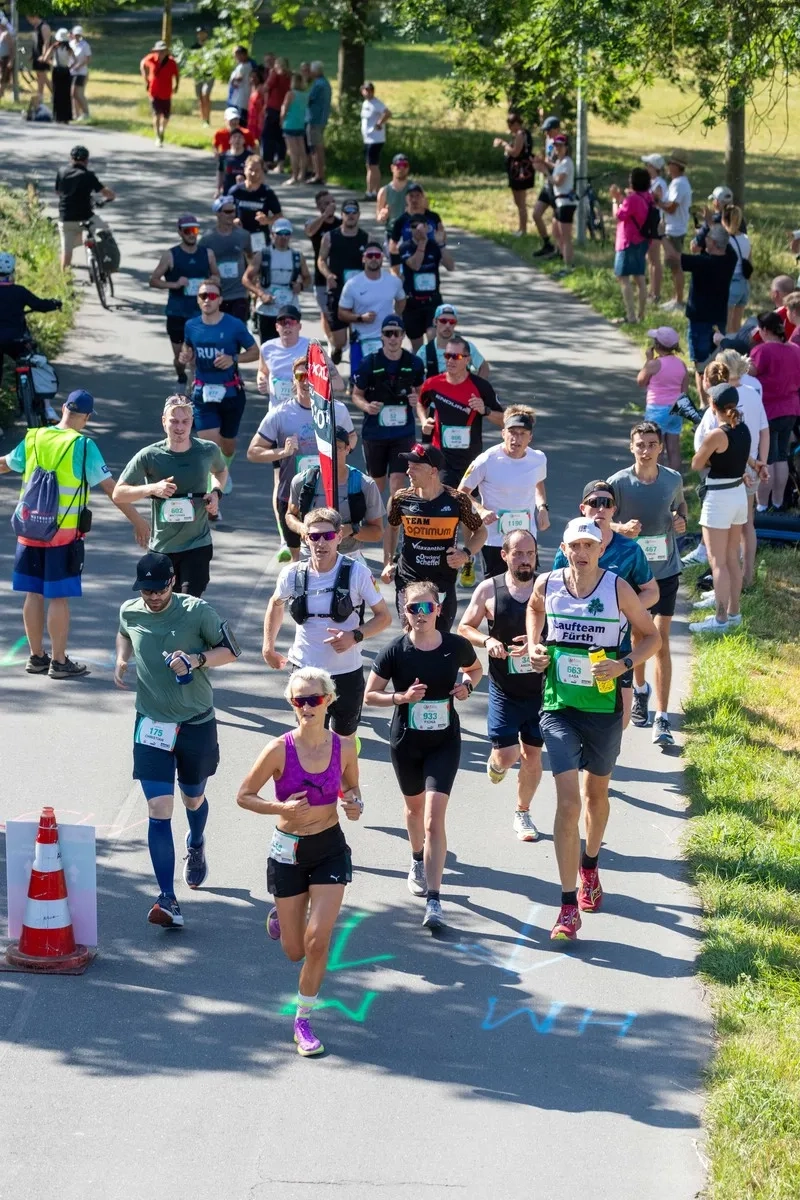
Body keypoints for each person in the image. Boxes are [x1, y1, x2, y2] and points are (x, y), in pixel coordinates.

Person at [526, 518, 661, 941]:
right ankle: (567, 907)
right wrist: (534, 644)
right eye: (574, 546)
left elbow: (651, 637)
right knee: (568, 804)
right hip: (558, 706)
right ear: (564, 549)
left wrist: (623, 665)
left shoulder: (617, 587)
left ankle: (589, 866)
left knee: (594, 796)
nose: (582, 552)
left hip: (603, 708)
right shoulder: (547, 584)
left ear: (600, 549)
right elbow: (533, 610)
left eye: (589, 545)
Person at [236, 666, 362, 1057]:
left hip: (329, 848)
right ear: (292, 705)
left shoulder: (343, 746)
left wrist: (355, 804)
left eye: (314, 699)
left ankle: (302, 1019)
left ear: (328, 701)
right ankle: (282, 918)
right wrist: (279, 806)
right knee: (295, 951)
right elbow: (243, 795)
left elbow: (352, 788)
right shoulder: (278, 749)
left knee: (318, 941)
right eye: (298, 700)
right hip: (287, 852)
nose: (306, 707)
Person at [115, 551, 242, 928]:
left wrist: (197, 659)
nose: (153, 597)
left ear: (171, 581)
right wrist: (121, 658)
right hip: (151, 725)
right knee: (158, 809)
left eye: (159, 589)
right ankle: (167, 898)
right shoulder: (130, 610)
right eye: (146, 591)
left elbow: (232, 651)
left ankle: (197, 841)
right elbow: (123, 633)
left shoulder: (196, 611)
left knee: (193, 796)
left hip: (195, 724)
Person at [0, 390, 149, 679]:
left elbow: (5, 463)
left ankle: (36, 656)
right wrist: (138, 520)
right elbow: (111, 489)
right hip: (63, 535)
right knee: (58, 597)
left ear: (63, 409)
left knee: (33, 593)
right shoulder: (83, 446)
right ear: (88, 416)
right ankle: (58, 661)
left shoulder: (34, 437)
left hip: (30, 529)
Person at [365, 580, 482, 929]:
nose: (421, 614)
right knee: (414, 811)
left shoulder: (455, 646)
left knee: (433, 819)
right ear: (405, 611)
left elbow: (476, 669)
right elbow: (370, 695)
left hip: (445, 741)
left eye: (427, 607)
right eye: (414, 608)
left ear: (439, 609)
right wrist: (400, 699)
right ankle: (417, 858)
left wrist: (467, 686)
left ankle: (434, 900)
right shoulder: (396, 651)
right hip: (406, 741)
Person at [262, 507, 391, 739]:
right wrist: (268, 647)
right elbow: (275, 604)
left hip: (346, 673)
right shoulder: (292, 574)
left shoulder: (358, 573)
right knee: (309, 740)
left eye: (328, 536)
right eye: (314, 536)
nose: (321, 543)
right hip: (305, 671)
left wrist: (355, 636)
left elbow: (384, 617)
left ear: (339, 537)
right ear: (305, 538)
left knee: (343, 742)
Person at [458, 529, 543, 841]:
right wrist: (488, 639)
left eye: (529, 554)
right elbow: (465, 627)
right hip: (505, 689)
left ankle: (523, 812)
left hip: (541, 690)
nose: (524, 560)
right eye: (517, 554)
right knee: (506, 757)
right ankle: (499, 762)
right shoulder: (489, 589)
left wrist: (539, 643)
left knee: (533, 755)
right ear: (504, 555)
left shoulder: (547, 589)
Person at [552, 481, 658, 730]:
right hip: (572, 646)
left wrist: (623, 607)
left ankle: (600, 764)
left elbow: (652, 591)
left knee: (619, 723)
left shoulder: (629, 550)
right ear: (582, 508)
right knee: (571, 716)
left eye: (606, 503)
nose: (600, 508)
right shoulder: (566, 551)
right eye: (594, 502)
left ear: (614, 510)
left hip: (616, 647)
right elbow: (551, 596)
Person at [608, 423, 686, 746]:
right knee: (641, 636)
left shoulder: (672, 479)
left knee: (662, 639)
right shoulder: (618, 483)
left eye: (651, 444)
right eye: (640, 444)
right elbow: (600, 519)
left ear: (659, 448)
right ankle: (640, 690)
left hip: (666, 571)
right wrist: (620, 527)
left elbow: (680, 508)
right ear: (631, 447)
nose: (645, 449)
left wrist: (681, 521)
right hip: (634, 575)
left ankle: (662, 716)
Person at [114, 396, 228, 598]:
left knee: (187, 604)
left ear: (192, 422)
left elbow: (220, 471)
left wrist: (216, 493)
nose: (179, 427)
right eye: (174, 421)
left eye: (185, 421)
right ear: (163, 421)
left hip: (197, 544)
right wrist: (152, 488)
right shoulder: (150, 455)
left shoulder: (207, 450)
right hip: (162, 548)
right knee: (161, 606)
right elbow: (119, 493)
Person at [248, 357, 353, 562]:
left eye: (311, 376)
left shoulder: (336, 410)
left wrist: (339, 449)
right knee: (299, 562)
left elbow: (353, 437)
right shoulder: (279, 414)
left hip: (328, 496)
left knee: (329, 558)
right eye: (300, 376)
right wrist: (283, 452)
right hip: (292, 499)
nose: (306, 381)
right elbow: (253, 452)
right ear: (293, 380)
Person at [384, 444, 486, 631]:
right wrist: (388, 561)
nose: (408, 472)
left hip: (442, 580)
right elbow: (391, 528)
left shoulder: (457, 500)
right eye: (408, 466)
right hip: (409, 578)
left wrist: (465, 553)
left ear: (433, 471)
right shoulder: (401, 498)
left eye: (415, 467)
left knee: (440, 638)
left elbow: (481, 532)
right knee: (411, 635)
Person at [689, 386, 765, 635]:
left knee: (717, 562)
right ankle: (734, 614)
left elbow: (696, 463)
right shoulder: (742, 429)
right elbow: (741, 457)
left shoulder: (715, 435)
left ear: (713, 406)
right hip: (738, 496)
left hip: (719, 498)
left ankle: (720, 620)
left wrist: (711, 455)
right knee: (732, 557)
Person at [351, 314, 424, 567]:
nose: (393, 338)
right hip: (375, 434)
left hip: (402, 434)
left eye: (397, 333)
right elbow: (356, 395)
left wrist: (416, 401)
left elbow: (419, 392)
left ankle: (392, 545)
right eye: (388, 333)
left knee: (397, 486)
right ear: (381, 336)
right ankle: (359, 534)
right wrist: (366, 406)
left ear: (403, 335)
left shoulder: (414, 363)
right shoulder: (370, 363)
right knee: (375, 486)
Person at [696, 356, 768, 591]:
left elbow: (702, 456)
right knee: (747, 526)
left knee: (722, 546)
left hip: (723, 478)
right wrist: (760, 462)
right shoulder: (752, 395)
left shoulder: (717, 408)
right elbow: (765, 431)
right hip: (747, 467)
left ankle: (723, 594)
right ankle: (745, 579)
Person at [457, 406, 548, 578]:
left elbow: (539, 483)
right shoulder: (487, 460)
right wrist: (481, 510)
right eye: (512, 432)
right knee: (496, 591)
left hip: (526, 538)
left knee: (526, 587)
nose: (516, 438)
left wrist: (542, 507)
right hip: (494, 539)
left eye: (522, 433)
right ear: (503, 433)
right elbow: (461, 492)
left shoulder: (538, 459)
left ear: (530, 437)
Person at [180, 278, 259, 470]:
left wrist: (233, 358)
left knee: (227, 444)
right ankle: (215, 479)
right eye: (203, 296)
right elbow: (187, 347)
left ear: (220, 300)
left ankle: (224, 468)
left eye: (212, 296)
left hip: (231, 392)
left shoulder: (234, 325)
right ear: (198, 300)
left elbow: (255, 352)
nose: (207, 299)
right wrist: (186, 355)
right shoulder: (191, 325)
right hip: (202, 392)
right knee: (210, 444)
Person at [417, 334, 503, 490]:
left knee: (467, 506)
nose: (450, 360)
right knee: (444, 502)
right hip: (442, 458)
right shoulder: (432, 384)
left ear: (467, 359)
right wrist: (424, 420)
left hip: (471, 459)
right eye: (447, 355)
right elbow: (420, 404)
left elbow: (504, 420)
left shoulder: (481, 387)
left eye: (455, 356)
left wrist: (485, 410)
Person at [286, 427, 384, 562]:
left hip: (348, 555)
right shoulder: (302, 481)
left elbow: (377, 533)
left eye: (337, 447)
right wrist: (301, 527)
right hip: (310, 554)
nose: (331, 452)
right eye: (326, 447)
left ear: (348, 449)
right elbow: (290, 515)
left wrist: (352, 530)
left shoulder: (365, 484)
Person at [149, 214, 219, 385]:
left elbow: (216, 275)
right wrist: (175, 284)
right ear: (180, 232)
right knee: (180, 358)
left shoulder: (207, 254)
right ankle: (181, 375)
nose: (191, 234)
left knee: (196, 356)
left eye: (194, 230)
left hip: (200, 313)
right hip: (177, 313)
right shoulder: (170, 255)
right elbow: (153, 280)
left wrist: (209, 283)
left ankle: (195, 388)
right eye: (187, 231)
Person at [749, 310, 800, 512]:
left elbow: (749, 372)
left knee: (766, 459)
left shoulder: (763, 351)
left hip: (768, 411)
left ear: (763, 330)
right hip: (791, 408)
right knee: (781, 457)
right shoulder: (795, 349)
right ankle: (779, 502)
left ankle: (762, 505)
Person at [682, 224, 736, 399]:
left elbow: (674, 258)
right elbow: (726, 244)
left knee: (701, 365)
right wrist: (707, 226)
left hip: (699, 320)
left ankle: (704, 403)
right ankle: (718, 397)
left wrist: (662, 237)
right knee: (717, 361)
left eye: (707, 238)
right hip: (718, 319)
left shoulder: (702, 263)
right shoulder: (730, 259)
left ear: (712, 242)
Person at [338, 242, 406, 373]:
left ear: (382, 258)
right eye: (370, 255)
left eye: (377, 255)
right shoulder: (353, 284)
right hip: (361, 340)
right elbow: (341, 313)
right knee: (358, 383)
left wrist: (395, 317)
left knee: (387, 381)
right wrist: (360, 318)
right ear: (364, 258)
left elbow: (401, 300)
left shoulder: (393, 282)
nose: (374, 258)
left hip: (386, 340)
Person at [317, 199, 369, 362]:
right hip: (338, 292)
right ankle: (337, 348)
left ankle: (356, 369)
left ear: (359, 215)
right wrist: (328, 275)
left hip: (360, 294)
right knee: (341, 341)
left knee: (358, 336)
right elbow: (321, 260)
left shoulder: (366, 238)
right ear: (342, 215)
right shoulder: (330, 237)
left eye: (354, 212)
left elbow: (374, 261)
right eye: (348, 212)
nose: (351, 216)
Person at [0, 252, 62, 386]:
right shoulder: (20, 291)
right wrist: (54, 303)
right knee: (33, 361)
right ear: (12, 273)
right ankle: (46, 405)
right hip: (16, 338)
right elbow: (40, 305)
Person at [244, 218, 311, 342]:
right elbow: (246, 279)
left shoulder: (297, 256)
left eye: (287, 234)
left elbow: (307, 278)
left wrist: (300, 286)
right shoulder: (263, 255)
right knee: (268, 346)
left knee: (289, 344)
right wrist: (261, 294)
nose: (283, 237)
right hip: (267, 309)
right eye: (280, 234)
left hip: (290, 308)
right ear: (272, 234)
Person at [199, 194, 261, 323]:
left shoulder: (243, 235)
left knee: (236, 333)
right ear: (218, 213)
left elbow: (251, 259)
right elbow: (200, 267)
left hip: (239, 294)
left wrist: (254, 284)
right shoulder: (207, 239)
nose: (232, 215)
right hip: (216, 294)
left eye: (233, 211)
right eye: (227, 212)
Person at [636, 325, 690, 470]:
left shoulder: (654, 364)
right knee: (674, 448)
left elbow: (641, 381)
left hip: (657, 410)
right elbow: (684, 390)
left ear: (657, 345)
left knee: (655, 448)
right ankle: (675, 480)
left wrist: (648, 360)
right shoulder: (682, 365)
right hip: (676, 408)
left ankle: (656, 479)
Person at [398, 215, 455, 351]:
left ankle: (433, 370)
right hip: (412, 302)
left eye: (420, 226)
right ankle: (421, 370)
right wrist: (422, 244)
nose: (417, 230)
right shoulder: (405, 247)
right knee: (417, 347)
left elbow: (450, 266)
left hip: (432, 302)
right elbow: (415, 265)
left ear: (427, 227)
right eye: (413, 227)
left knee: (433, 338)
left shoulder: (434, 246)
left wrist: (441, 245)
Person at [54, 144, 115, 270]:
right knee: (105, 231)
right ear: (86, 160)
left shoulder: (61, 172)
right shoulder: (88, 175)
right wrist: (111, 197)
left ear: (71, 159)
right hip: (85, 217)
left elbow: (58, 192)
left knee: (67, 251)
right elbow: (105, 192)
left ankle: (64, 278)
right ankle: (106, 261)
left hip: (66, 217)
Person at [608, 168, 654, 325]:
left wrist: (615, 200)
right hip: (643, 241)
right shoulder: (647, 197)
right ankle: (641, 315)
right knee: (640, 278)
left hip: (628, 241)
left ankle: (631, 316)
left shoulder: (632, 199)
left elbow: (619, 215)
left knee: (623, 277)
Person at [304, 190, 341, 350]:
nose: (330, 206)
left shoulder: (340, 224)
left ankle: (340, 340)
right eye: (326, 203)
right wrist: (324, 216)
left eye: (332, 202)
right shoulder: (315, 223)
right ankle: (331, 341)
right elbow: (309, 231)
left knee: (341, 309)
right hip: (321, 275)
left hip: (339, 274)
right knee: (325, 310)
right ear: (319, 206)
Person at [656, 150, 692, 310]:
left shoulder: (679, 184)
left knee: (676, 265)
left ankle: (678, 300)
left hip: (675, 230)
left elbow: (671, 208)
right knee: (672, 265)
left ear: (676, 166)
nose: (668, 167)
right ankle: (675, 298)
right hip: (674, 228)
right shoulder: (676, 182)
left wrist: (657, 202)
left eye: (670, 164)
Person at [416, 304, 490, 381]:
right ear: (435, 322)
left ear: (456, 324)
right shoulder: (424, 351)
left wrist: (476, 388)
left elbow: (484, 368)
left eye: (452, 322)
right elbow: (415, 376)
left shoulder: (467, 347)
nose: (447, 325)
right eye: (443, 321)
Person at [493, 111, 535, 236]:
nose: (510, 129)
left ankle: (523, 229)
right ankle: (520, 228)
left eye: (511, 125)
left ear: (516, 124)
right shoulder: (518, 134)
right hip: (516, 171)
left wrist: (504, 145)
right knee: (518, 201)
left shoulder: (521, 134)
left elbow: (516, 152)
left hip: (521, 171)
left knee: (521, 202)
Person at [227, 154, 282, 251]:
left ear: (262, 172)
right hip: (238, 235)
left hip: (259, 236)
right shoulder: (235, 191)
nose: (253, 173)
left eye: (257, 171)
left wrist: (268, 220)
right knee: (240, 264)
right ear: (245, 169)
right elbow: (223, 212)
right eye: (251, 170)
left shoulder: (267, 192)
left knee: (258, 264)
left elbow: (279, 216)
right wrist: (232, 221)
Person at [388, 184, 446, 259]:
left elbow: (442, 237)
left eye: (417, 196)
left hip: (430, 259)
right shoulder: (401, 221)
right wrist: (403, 252)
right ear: (406, 199)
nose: (414, 200)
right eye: (411, 196)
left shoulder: (433, 217)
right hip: (410, 260)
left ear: (423, 198)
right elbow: (392, 247)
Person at [531, 115, 561, 257]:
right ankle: (547, 244)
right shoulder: (549, 141)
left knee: (557, 221)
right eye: (546, 131)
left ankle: (559, 250)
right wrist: (540, 162)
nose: (547, 133)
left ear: (557, 129)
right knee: (536, 214)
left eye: (549, 130)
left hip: (557, 185)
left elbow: (561, 166)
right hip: (547, 183)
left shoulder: (562, 144)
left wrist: (544, 164)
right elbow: (548, 160)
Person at [140, 39, 180, 146]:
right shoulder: (151, 59)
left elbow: (176, 74)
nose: (160, 53)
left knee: (166, 116)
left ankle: (162, 130)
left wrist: (177, 85)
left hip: (166, 92)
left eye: (162, 51)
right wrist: (145, 79)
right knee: (156, 114)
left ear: (166, 51)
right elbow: (142, 64)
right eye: (159, 51)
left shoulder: (171, 62)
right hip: (154, 92)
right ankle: (157, 136)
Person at [548, 135, 576, 276]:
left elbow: (559, 181)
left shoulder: (566, 162)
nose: (557, 148)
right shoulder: (559, 162)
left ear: (566, 147)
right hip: (559, 202)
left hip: (566, 203)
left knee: (566, 237)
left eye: (560, 146)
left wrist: (546, 174)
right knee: (556, 233)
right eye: (555, 146)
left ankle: (568, 266)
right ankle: (565, 259)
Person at [641, 154, 667, 302]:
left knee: (655, 259)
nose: (646, 168)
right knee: (650, 258)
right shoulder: (652, 182)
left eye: (648, 165)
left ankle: (656, 293)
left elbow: (657, 198)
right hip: (649, 221)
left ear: (655, 168)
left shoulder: (659, 183)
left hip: (656, 221)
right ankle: (651, 291)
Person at [377, 154, 413, 261]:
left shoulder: (415, 189)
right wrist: (383, 215)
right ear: (392, 168)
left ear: (408, 168)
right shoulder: (384, 191)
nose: (401, 168)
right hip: (391, 234)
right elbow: (378, 217)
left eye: (405, 165)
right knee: (395, 267)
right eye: (398, 165)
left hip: (410, 233)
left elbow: (425, 213)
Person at [721, 205, 751, 332]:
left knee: (725, 324)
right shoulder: (746, 238)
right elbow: (749, 262)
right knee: (736, 325)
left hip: (731, 282)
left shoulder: (726, 240)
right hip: (744, 284)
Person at [360, 80, 391, 200]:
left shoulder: (376, 103)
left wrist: (379, 123)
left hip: (375, 139)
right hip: (367, 139)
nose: (367, 92)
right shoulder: (365, 103)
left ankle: (373, 191)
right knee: (369, 166)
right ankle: (372, 190)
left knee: (373, 166)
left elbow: (387, 113)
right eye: (365, 90)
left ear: (373, 91)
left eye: (369, 90)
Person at [262, 56, 290, 170]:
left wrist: (270, 76)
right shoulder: (290, 76)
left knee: (267, 135)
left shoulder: (275, 75)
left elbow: (266, 88)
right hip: (285, 107)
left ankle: (267, 160)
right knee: (280, 136)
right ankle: (281, 162)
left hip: (273, 107)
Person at [306, 61, 332, 183]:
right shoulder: (326, 83)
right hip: (322, 118)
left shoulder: (318, 85)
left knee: (315, 147)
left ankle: (318, 174)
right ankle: (319, 172)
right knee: (318, 146)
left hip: (315, 119)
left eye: (311, 70)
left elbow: (309, 99)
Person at [281, 71, 308, 185]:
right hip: (300, 124)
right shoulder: (305, 94)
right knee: (302, 151)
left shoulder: (290, 94)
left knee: (293, 152)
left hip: (290, 124)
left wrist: (281, 120)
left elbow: (285, 109)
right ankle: (302, 174)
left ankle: (294, 176)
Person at [43, 29, 73, 124]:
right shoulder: (69, 48)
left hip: (57, 70)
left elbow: (45, 58)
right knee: (66, 94)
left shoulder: (54, 47)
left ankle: (58, 116)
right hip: (66, 70)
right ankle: (66, 117)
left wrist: (53, 63)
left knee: (57, 93)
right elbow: (75, 60)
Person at [190, 27, 213, 126]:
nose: (201, 35)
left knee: (205, 94)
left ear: (206, 34)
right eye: (199, 33)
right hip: (198, 75)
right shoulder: (194, 47)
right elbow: (192, 61)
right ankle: (203, 119)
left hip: (208, 75)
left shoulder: (211, 47)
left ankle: (207, 119)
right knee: (200, 97)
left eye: (203, 33)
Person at [218, 128, 250, 196]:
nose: (237, 139)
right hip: (228, 193)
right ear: (230, 140)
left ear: (244, 140)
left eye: (240, 137)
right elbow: (221, 173)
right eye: (234, 137)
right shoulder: (224, 156)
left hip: (246, 193)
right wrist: (218, 189)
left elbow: (258, 174)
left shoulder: (250, 157)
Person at [28, 15, 52, 105]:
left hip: (42, 56)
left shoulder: (44, 26)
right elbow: (36, 43)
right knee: (42, 77)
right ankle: (55, 94)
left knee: (42, 77)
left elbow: (46, 42)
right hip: (36, 56)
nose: (29, 21)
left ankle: (40, 98)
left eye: (29, 18)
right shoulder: (36, 27)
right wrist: (32, 55)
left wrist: (44, 55)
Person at [69, 25, 91, 121]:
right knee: (73, 94)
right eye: (76, 34)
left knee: (76, 92)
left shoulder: (85, 45)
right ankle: (76, 114)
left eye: (79, 35)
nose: (77, 36)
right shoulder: (71, 44)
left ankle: (86, 112)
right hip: (71, 72)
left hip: (81, 72)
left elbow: (88, 59)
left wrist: (78, 66)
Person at [228, 45, 253, 124]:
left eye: (238, 55)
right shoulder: (242, 65)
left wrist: (232, 81)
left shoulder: (245, 67)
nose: (236, 58)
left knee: (241, 118)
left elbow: (239, 78)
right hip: (239, 96)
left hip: (242, 97)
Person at [247, 65, 266, 143]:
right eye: (251, 77)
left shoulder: (262, 88)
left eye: (255, 77)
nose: (253, 79)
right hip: (252, 116)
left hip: (260, 116)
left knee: (261, 137)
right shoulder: (252, 88)